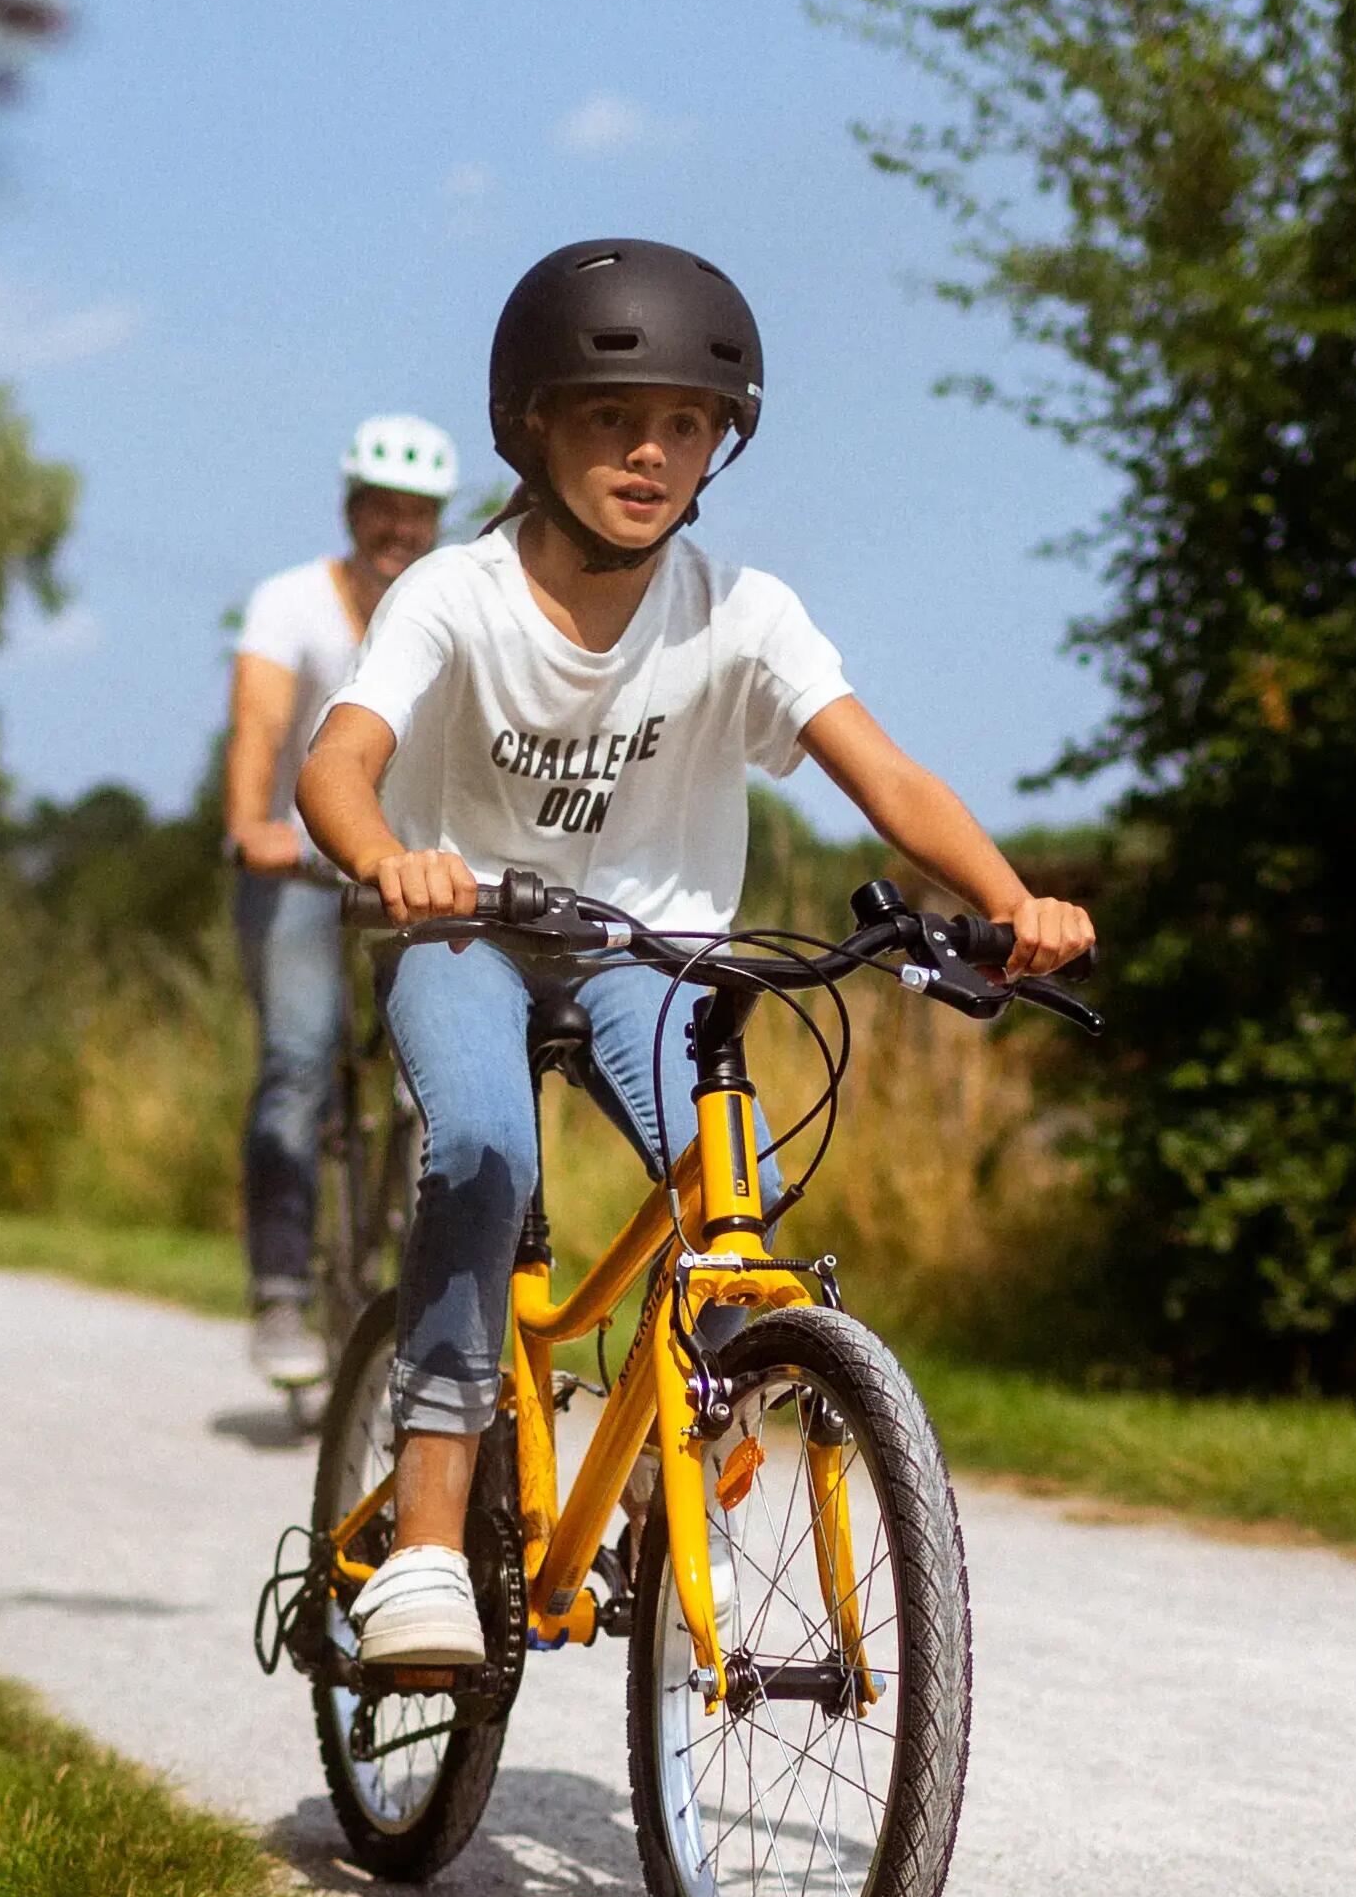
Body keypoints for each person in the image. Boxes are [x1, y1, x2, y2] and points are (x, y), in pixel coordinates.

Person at [297, 238, 1094, 1664]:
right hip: (466, 929)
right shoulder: (455, 596)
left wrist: (1011, 899)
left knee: (739, 1197)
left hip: (645, 952)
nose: (650, 451)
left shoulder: (742, 612)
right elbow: (338, 764)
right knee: (483, 1150)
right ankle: (424, 1543)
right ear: (531, 427)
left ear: (723, 441)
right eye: (611, 419)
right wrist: (386, 859)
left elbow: (889, 782)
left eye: (686, 423)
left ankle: (696, 1461)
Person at [225, 415, 461, 1388]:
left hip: (411, 869)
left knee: (436, 1076)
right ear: (351, 509)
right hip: (300, 862)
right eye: (381, 510)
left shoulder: (452, 604)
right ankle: (283, 1287)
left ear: (436, 522)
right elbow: (262, 721)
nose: (396, 530)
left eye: (416, 516)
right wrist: (252, 823)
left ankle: (432, 1270)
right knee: (297, 1059)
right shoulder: (292, 603)